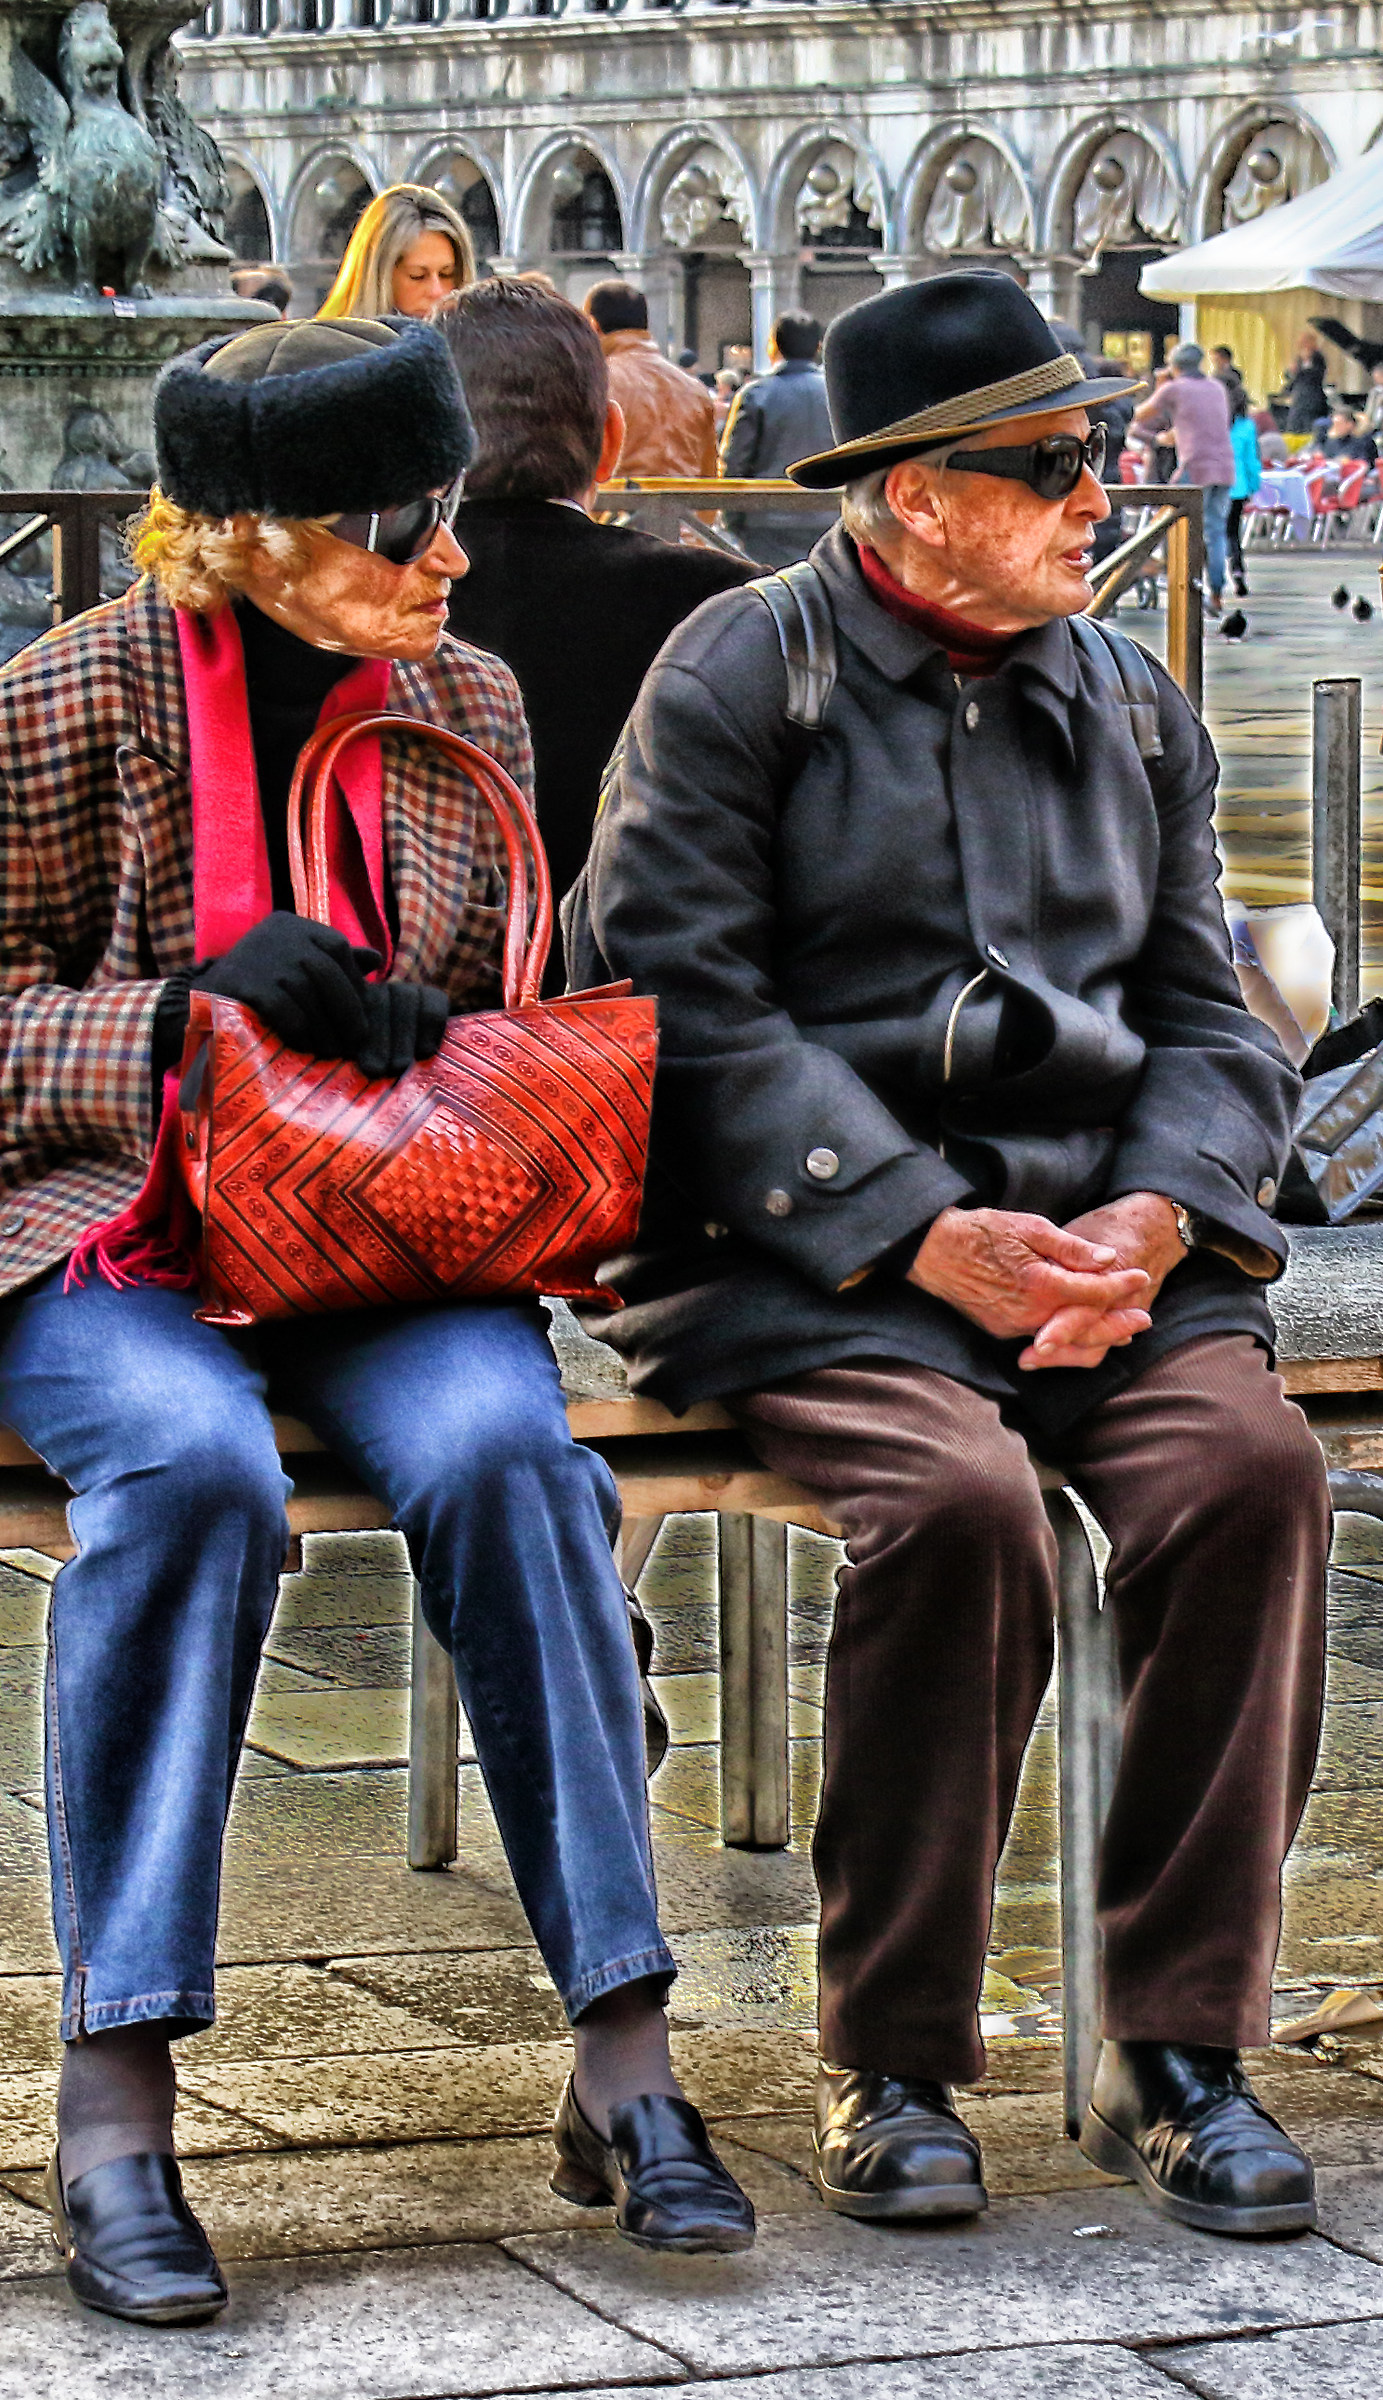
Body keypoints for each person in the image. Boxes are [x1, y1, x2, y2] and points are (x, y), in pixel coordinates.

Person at [0, 316, 755, 2326]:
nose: (450, 555)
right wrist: (174, 1015)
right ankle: (116, 2092)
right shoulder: (50, 703)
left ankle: (624, 2057)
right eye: (395, 522)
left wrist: (442, 1032)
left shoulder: (467, 701)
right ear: (236, 532)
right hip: (97, 1237)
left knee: (513, 1455)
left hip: (369, 1227)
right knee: (191, 1469)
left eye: (444, 507)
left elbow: (506, 995)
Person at [569, 268, 1327, 2245]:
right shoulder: (738, 673)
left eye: (1092, 457)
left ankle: (1176, 2045)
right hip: (800, 1251)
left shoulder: (1126, 695)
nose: (1099, 496)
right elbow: (674, 1002)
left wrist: (1157, 1211)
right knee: (961, 1505)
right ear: (907, 496)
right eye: (1043, 467)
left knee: (1250, 1473)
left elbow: (1210, 1013)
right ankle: (891, 2054)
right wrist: (916, 1224)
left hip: (1100, 1243)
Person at [436, 277, 754, 976]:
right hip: (658, 1012)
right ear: (609, 440)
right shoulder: (724, 607)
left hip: (426, 1027)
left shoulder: (377, 606)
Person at [719, 310, 837, 568]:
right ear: (818, 346)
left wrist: (733, 519)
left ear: (772, 345)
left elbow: (734, 463)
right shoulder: (836, 392)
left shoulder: (756, 394)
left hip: (766, 520)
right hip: (829, 516)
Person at [1133, 342, 1234, 613]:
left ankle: (1181, 579)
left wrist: (1161, 386)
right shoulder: (1217, 387)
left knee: (1171, 521)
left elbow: (1139, 414)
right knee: (1214, 529)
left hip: (1195, 465)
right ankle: (1216, 592)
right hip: (1224, 465)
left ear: (1175, 365)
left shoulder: (1174, 388)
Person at [584, 280, 719, 480]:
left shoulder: (596, 381)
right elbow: (709, 475)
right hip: (683, 508)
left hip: (615, 508)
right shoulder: (694, 388)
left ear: (593, 326)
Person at [319, 184, 474, 321]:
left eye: (447, 274)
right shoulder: (327, 347)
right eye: (417, 276)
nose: (436, 292)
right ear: (379, 276)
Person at [1226, 380, 1261, 598]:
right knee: (1233, 533)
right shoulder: (1247, 426)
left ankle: (1209, 576)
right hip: (1238, 487)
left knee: (1210, 533)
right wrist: (1253, 486)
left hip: (1212, 483)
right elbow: (1251, 460)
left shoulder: (1213, 424)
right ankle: (1237, 571)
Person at [1280, 330, 1329, 434]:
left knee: (1309, 429)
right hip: (1298, 399)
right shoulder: (1299, 359)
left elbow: (1316, 376)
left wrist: (1300, 370)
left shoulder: (1318, 358)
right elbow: (1289, 376)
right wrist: (1291, 371)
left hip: (1312, 400)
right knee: (1293, 427)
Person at [1319, 403, 1377, 468]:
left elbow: (1365, 462)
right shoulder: (1331, 442)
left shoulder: (1363, 441)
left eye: (1339, 424)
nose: (1335, 427)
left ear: (1350, 424)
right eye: (1334, 424)